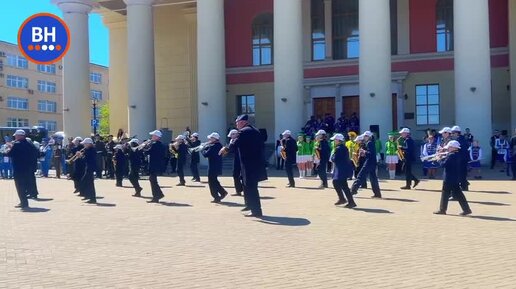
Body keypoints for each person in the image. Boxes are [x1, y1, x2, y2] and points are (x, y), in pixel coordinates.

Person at [220, 114, 267, 218]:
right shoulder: (254, 130)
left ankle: (256, 211)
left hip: (250, 165)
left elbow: (235, 143)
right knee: (248, 186)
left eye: (237, 122)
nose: (236, 124)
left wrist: (226, 149)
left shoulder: (244, 131)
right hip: (254, 164)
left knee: (251, 188)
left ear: (242, 122)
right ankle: (250, 206)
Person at [433, 141, 472, 216]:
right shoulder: (457, 154)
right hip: (455, 177)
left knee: (445, 194)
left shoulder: (452, 155)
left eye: (449, 147)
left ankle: (442, 209)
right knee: (459, 194)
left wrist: (438, 159)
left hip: (449, 178)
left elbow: (444, 164)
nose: (448, 149)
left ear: (454, 147)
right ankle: (467, 209)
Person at [5, 130, 38, 209]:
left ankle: (24, 203)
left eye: (16, 136)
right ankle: (26, 200)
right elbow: (36, 153)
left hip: (19, 168)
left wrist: (9, 147)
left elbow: (9, 154)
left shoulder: (16, 144)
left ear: (20, 136)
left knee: (20, 186)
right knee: (26, 185)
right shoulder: (30, 144)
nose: (15, 137)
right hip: (28, 169)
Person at [350, 131, 381, 198]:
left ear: (368, 137)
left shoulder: (369, 143)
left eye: (365, 136)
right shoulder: (371, 143)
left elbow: (370, 154)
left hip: (369, 162)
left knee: (360, 176)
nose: (364, 137)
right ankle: (377, 194)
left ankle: (353, 190)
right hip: (372, 162)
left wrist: (364, 152)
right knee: (373, 178)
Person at [330, 134, 356, 208]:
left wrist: (332, 156)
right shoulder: (343, 147)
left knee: (343, 185)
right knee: (337, 183)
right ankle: (343, 199)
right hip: (341, 169)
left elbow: (334, 159)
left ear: (339, 140)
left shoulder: (339, 148)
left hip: (341, 169)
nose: (334, 141)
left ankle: (350, 201)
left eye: (335, 140)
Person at [202, 133, 228, 203]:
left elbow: (206, 154)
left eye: (210, 138)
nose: (209, 139)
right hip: (216, 165)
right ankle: (223, 192)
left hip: (213, 166)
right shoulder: (218, 145)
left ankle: (216, 197)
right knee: (214, 181)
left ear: (214, 139)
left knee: (212, 182)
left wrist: (202, 149)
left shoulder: (214, 146)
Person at [145, 130, 165, 203]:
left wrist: (144, 145)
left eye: (153, 135)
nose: (152, 137)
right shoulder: (160, 144)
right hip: (157, 165)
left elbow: (147, 152)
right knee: (153, 180)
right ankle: (159, 194)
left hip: (154, 165)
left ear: (157, 137)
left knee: (153, 181)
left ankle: (156, 197)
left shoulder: (155, 144)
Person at [78, 138, 97, 204]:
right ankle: (89, 196)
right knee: (86, 182)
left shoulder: (91, 150)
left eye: (85, 144)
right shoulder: (88, 150)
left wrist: (80, 156)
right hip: (88, 168)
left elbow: (86, 159)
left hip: (90, 168)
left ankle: (92, 198)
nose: (84, 145)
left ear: (89, 144)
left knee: (88, 183)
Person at [451, 126, 470, 191]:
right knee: (461, 174)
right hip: (460, 159)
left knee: (461, 173)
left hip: (462, 159)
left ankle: (464, 186)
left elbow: (463, 150)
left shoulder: (461, 140)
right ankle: (464, 186)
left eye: (453, 133)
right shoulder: (458, 139)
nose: (452, 134)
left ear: (457, 133)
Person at [228, 129, 243, 196]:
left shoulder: (237, 140)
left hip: (240, 159)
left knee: (237, 175)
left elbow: (231, 148)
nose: (231, 137)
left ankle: (240, 189)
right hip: (237, 159)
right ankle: (239, 190)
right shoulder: (235, 140)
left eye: (232, 135)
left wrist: (231, 143)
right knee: (236, 175)